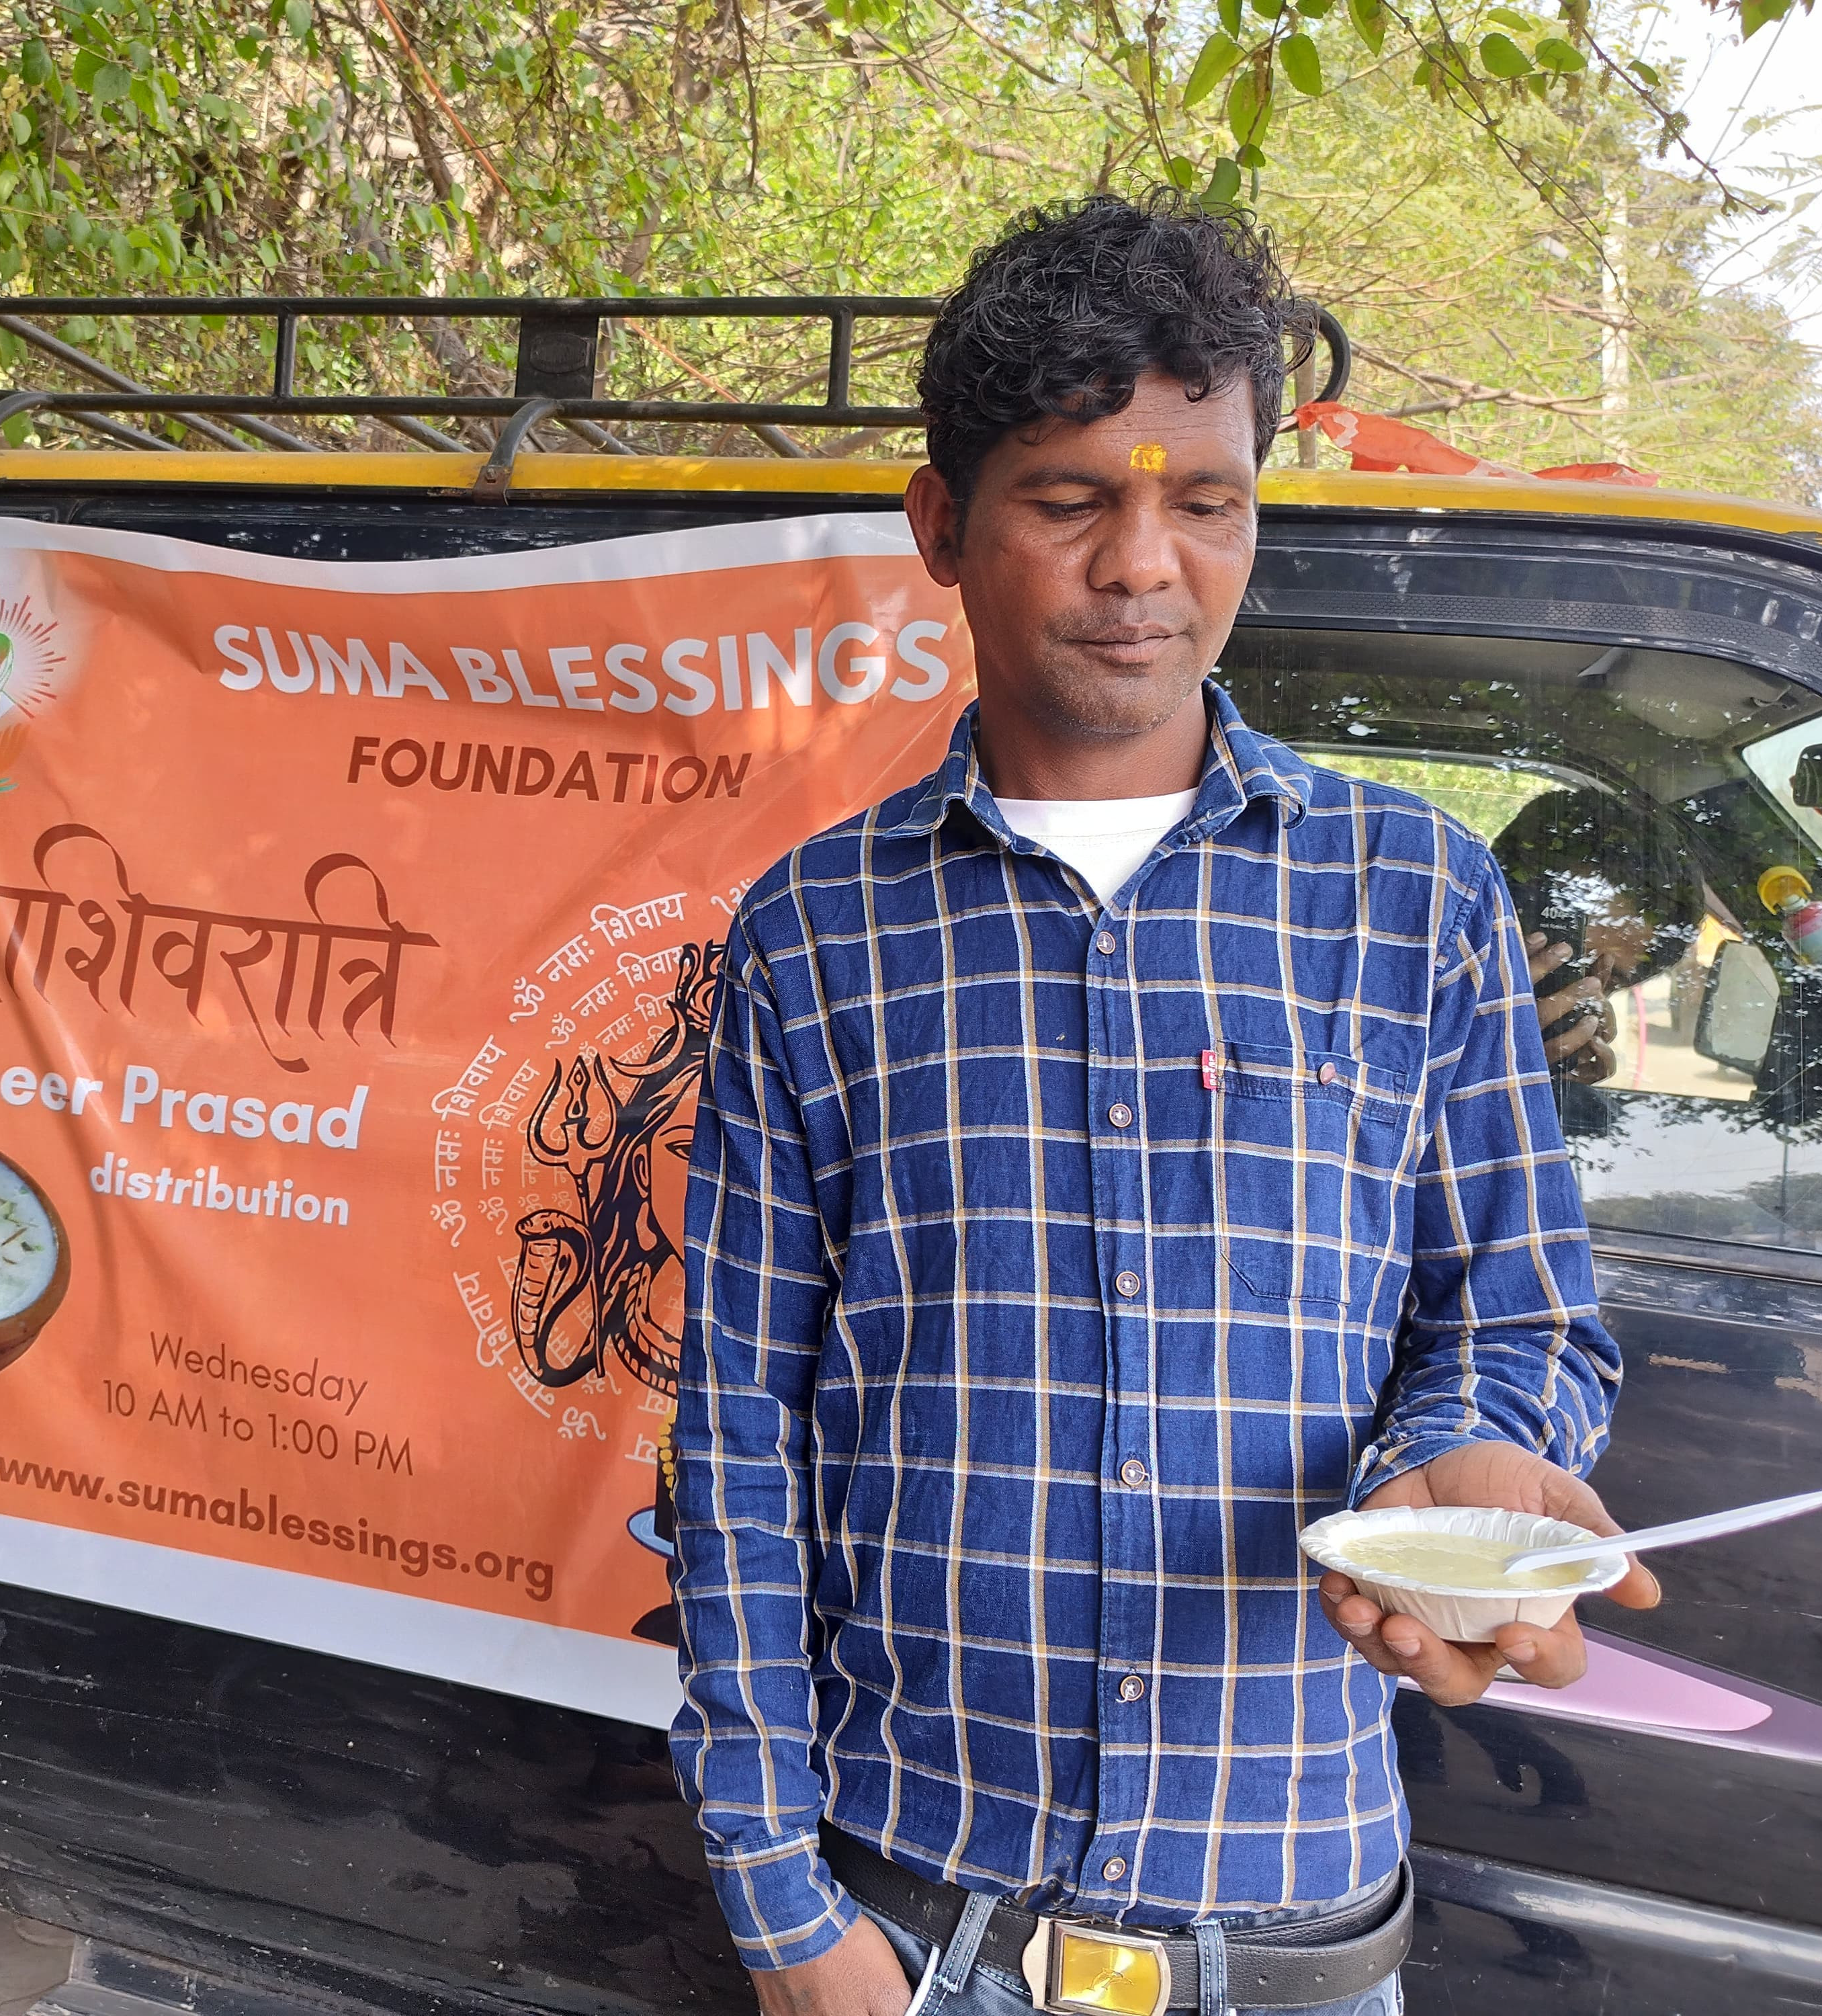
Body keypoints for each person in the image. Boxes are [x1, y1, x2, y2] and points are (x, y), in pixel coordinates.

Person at [669, 192, 1661, 2016]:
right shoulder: (815, 933)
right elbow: (737, 1439)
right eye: (1073, 500)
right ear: (942, 528)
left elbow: (1518, 1318)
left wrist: (1456, 1463)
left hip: (1283, 1923)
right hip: (911, 1917)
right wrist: (774, 1899)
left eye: (1204, 501)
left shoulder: (1411, 897)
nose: (1146, 563)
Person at [1489, 788, 1704, 1129]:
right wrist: (1474, 1055)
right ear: (1494, 903)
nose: (1572, 989)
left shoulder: (1579, 1115)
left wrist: (1543, 1094)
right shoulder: (1383, 990)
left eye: (1598, 980)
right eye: (1552, 957)